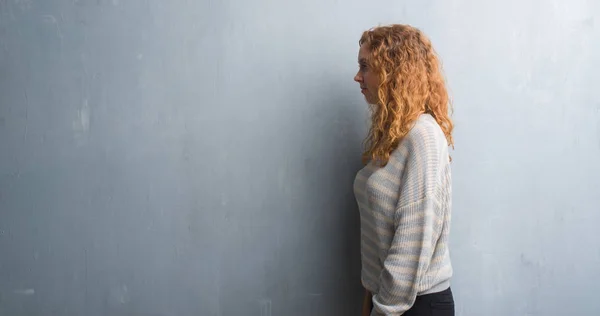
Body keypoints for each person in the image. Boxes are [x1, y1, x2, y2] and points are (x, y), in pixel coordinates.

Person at [353, 24, 455, 316]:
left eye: (365, 67)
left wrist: (382, 310)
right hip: (388, 301)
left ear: (392, 71)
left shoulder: (423, 136)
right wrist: (369, 297)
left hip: (415, 306)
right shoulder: (396, 135)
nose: (357, 77)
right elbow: (381, 236)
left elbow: (412, 243)